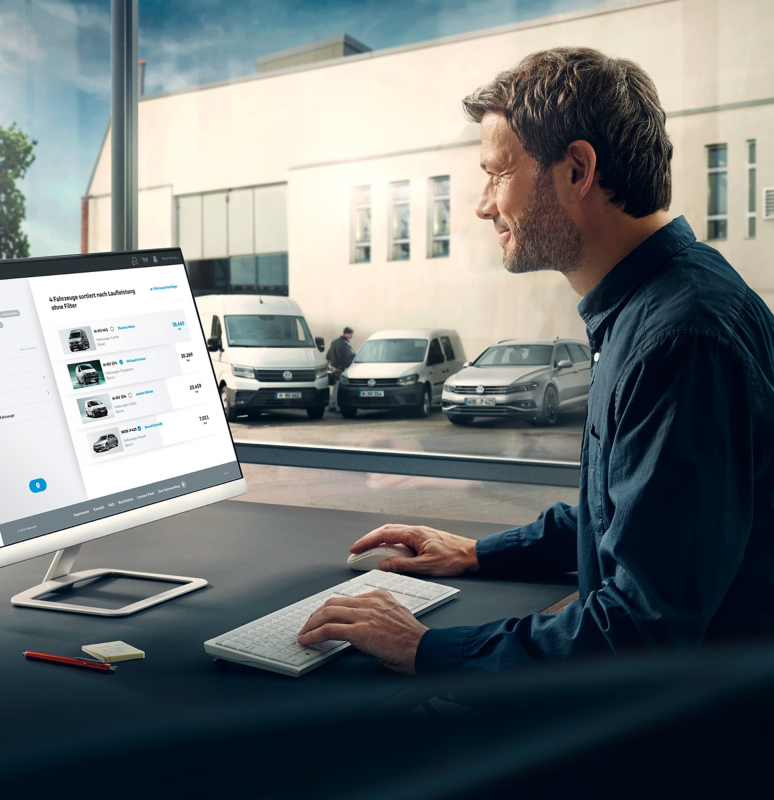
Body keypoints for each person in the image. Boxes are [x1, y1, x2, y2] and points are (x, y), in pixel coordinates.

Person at [298, 47, 774, 674]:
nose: (482, 204)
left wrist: (423, 648)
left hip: (694, 746)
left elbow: (639, 631)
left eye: (496, 173)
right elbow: (637, 511)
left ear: (577, 170)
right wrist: (479, 551)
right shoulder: (662, 303)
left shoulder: (680, 339)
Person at [325, 326, 355, 412]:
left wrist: (327, 364)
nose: (352, 336)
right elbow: (352, 355)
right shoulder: (346, 343)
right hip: (341, 369)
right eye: (351, 334)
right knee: (339, 388)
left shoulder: (334, 342)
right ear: (346, 334)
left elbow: (329, 354)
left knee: (335, 387)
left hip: (334, 368)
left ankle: (332, 405)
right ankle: (338, 406)